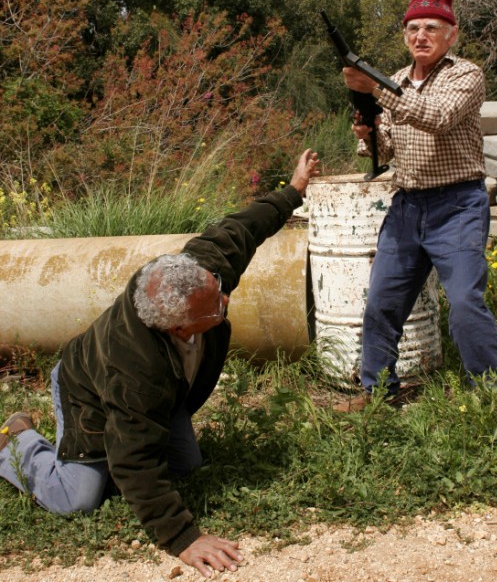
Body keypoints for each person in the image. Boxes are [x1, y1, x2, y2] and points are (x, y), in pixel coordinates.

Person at [0, 149, 320, 579]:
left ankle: (109, 462)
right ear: (178, 328)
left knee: (185, 468)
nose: (225, 301)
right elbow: (134, 458)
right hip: (86, 392)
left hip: (162, 396)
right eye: (215, 309)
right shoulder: (133, 370)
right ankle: (16, 441)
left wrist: (294, 190)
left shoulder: (197, 275)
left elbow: (241, 229)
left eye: (217, 292)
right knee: (77, 498)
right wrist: (183, 539)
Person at [341, 0, 497, 408]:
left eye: (432, 28)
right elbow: (387, 148)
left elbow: (439, 117)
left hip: (457, 205)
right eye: (414, 28)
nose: (421, 36)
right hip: (407, 205)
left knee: (466, 302)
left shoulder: (464, 74)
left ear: (450, 35)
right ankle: (377, 393)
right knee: (382, 303)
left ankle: (493, 394)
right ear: (404, 35)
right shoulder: (396, 79)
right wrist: (368, 132)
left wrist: (373, 90)